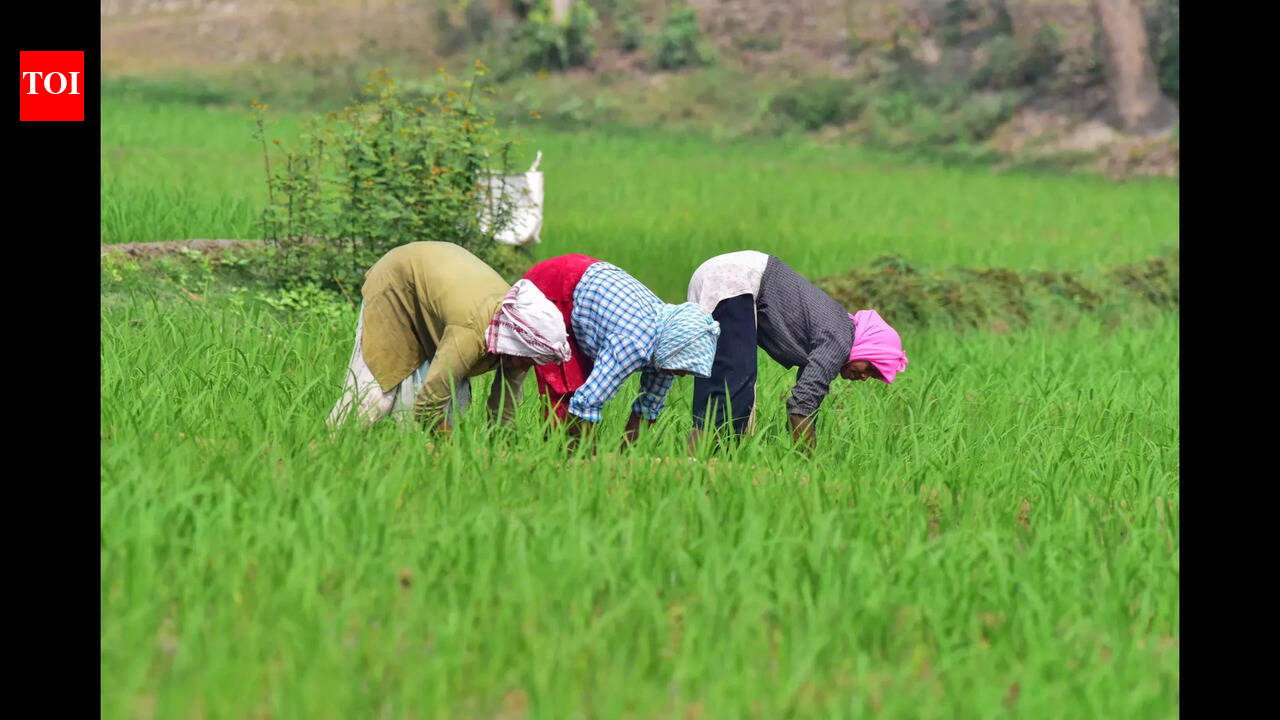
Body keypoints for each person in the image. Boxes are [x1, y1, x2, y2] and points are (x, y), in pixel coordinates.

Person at [326, 241, 571, 433]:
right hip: (399, 282)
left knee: (453, 408)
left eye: (531, 361)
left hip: (443, 294)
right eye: (524, 359)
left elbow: (503, 410)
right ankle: (322, 449)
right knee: (376, 398)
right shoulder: (472, 331)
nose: (523, 366)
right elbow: (427, 407)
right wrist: (454, 450)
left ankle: (406, 460)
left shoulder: (522, 341)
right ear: (515, 339)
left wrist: (503, 448)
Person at [685, 250, 908, 451]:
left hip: (722, 278)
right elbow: (800, 407)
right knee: (731, 389)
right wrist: (809, 466)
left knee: (728, 392)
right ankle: (693, 462)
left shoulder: (836, 333)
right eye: (870, 367)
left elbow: (806, 401)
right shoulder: (840, 340)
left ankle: (711, 466)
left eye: (873, 376)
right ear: (867, 347)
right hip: (735, 280)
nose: (864, 377)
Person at [522, 254, 721, 448]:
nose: (684, 374)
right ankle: (555, 462)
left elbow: (647, 409)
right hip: (557, 286)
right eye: (684, 365)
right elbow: (585, 404)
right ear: (672, 347)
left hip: (588, 293)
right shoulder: (633, 343)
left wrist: (624, 460)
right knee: (565, 393)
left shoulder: (668, 354)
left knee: (580, 387)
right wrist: (595, 462)